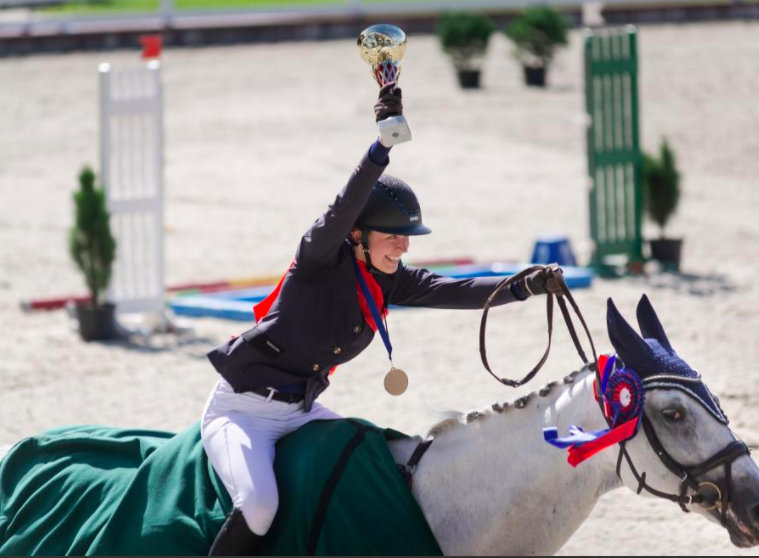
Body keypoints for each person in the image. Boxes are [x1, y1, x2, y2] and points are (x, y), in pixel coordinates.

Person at [201, 83, 563, 555]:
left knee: (365, 455)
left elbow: (453, 289)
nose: (404, 245)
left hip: (301, 411)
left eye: (406, 237)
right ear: (356, 234)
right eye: (392, 235)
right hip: (243, 411)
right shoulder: (317, 259)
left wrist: (526, 285)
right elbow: (341, 206)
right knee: (259, 507)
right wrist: (381, 148)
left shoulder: (389, 279)